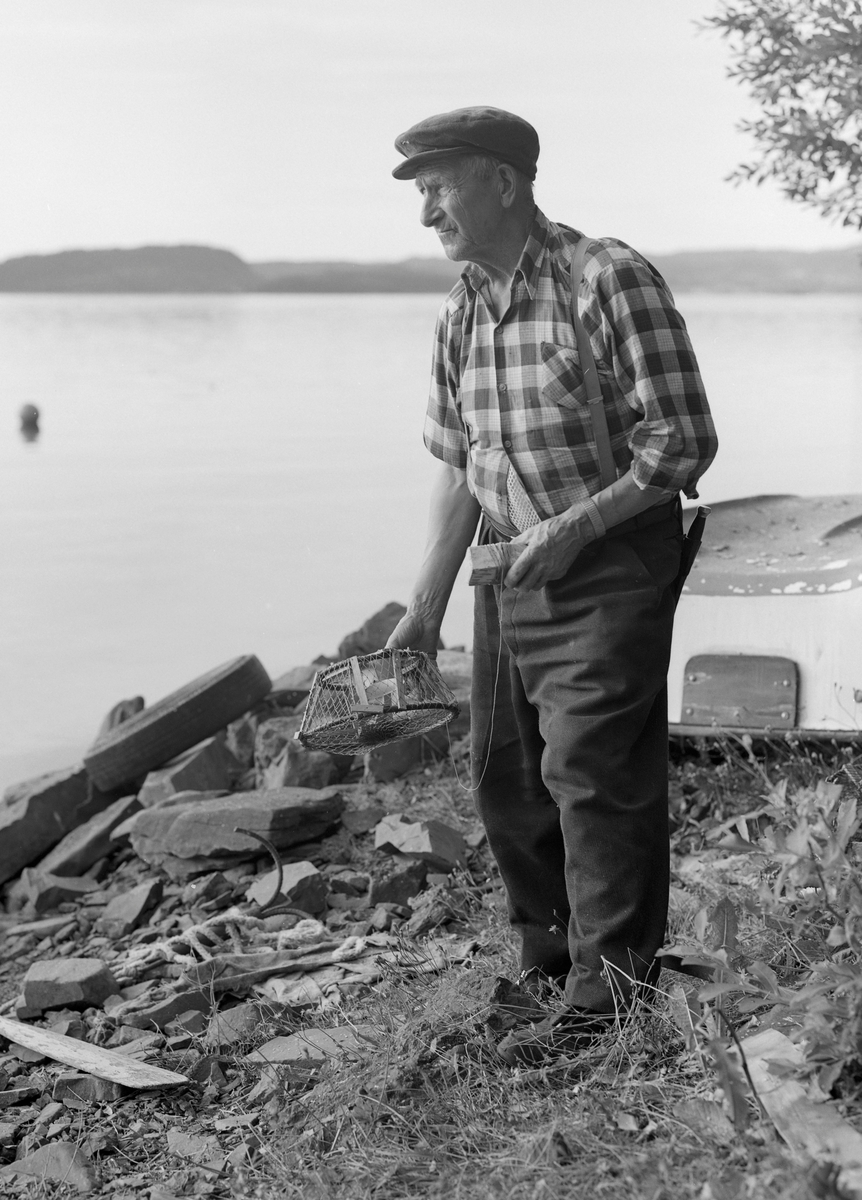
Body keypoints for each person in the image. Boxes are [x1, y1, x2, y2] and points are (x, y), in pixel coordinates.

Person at [385, 107, 718, 1065]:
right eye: (419, 194)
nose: (425, 215)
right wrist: (423, 604)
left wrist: (572, 527)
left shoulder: (605, 278)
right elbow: (459, 465)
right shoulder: (458, 311)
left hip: (609, 563)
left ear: (503, 180)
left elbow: (682, 442)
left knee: (593, 778)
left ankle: (607, 999)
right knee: (506, 782)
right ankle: (549, 964)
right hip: (504, 571)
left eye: (438, 187)